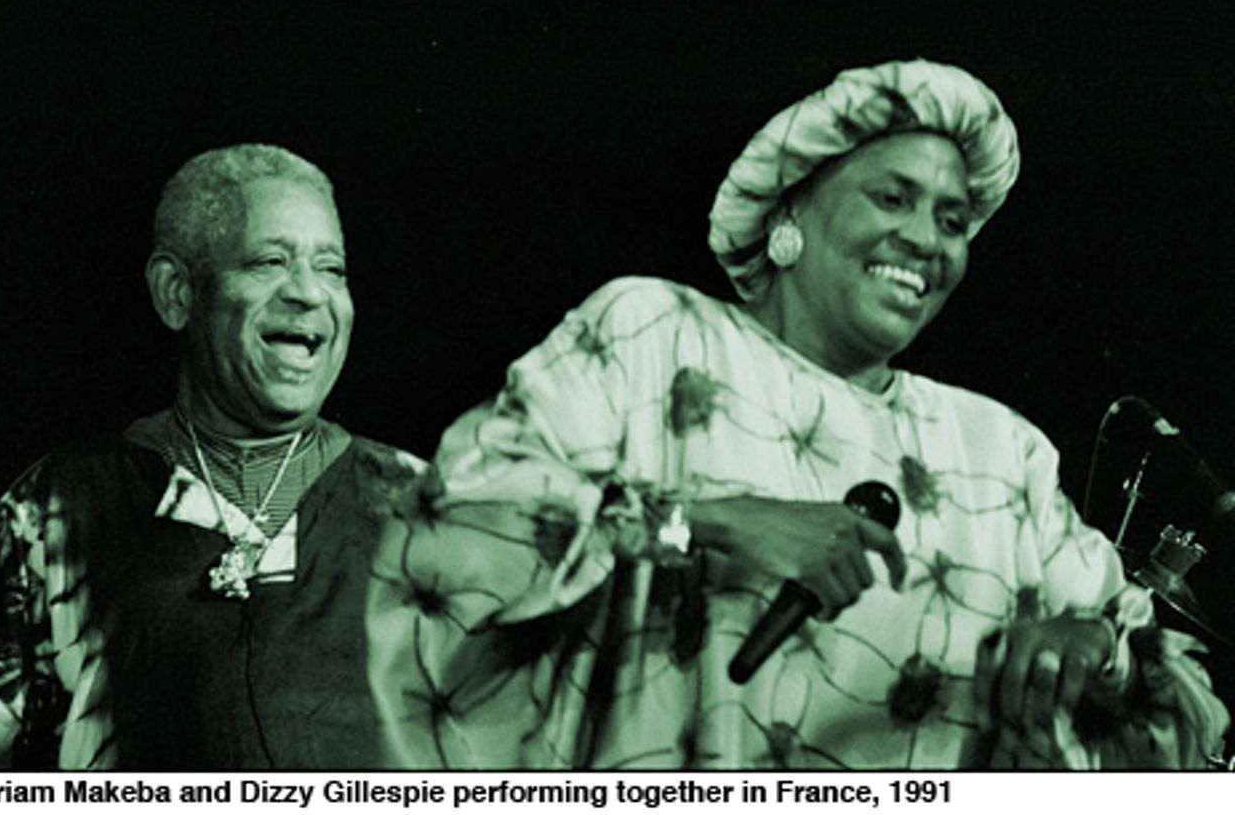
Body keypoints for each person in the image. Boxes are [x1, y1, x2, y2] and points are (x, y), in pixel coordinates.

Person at [368, 60, 1229, 769]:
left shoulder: (1002, 455)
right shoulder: (653, 337)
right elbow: (452, 528)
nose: (928, 239)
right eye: (892, 198)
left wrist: (1094, 653)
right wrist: (710, 521)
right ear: (789, 212)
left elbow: (1181, 712)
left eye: (954, 219)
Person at [0, 144, 424, 769]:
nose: (311, 294)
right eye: (269, 262)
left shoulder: (425, 507)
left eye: (332, 269)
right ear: (176, 293)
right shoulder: (55, 513)